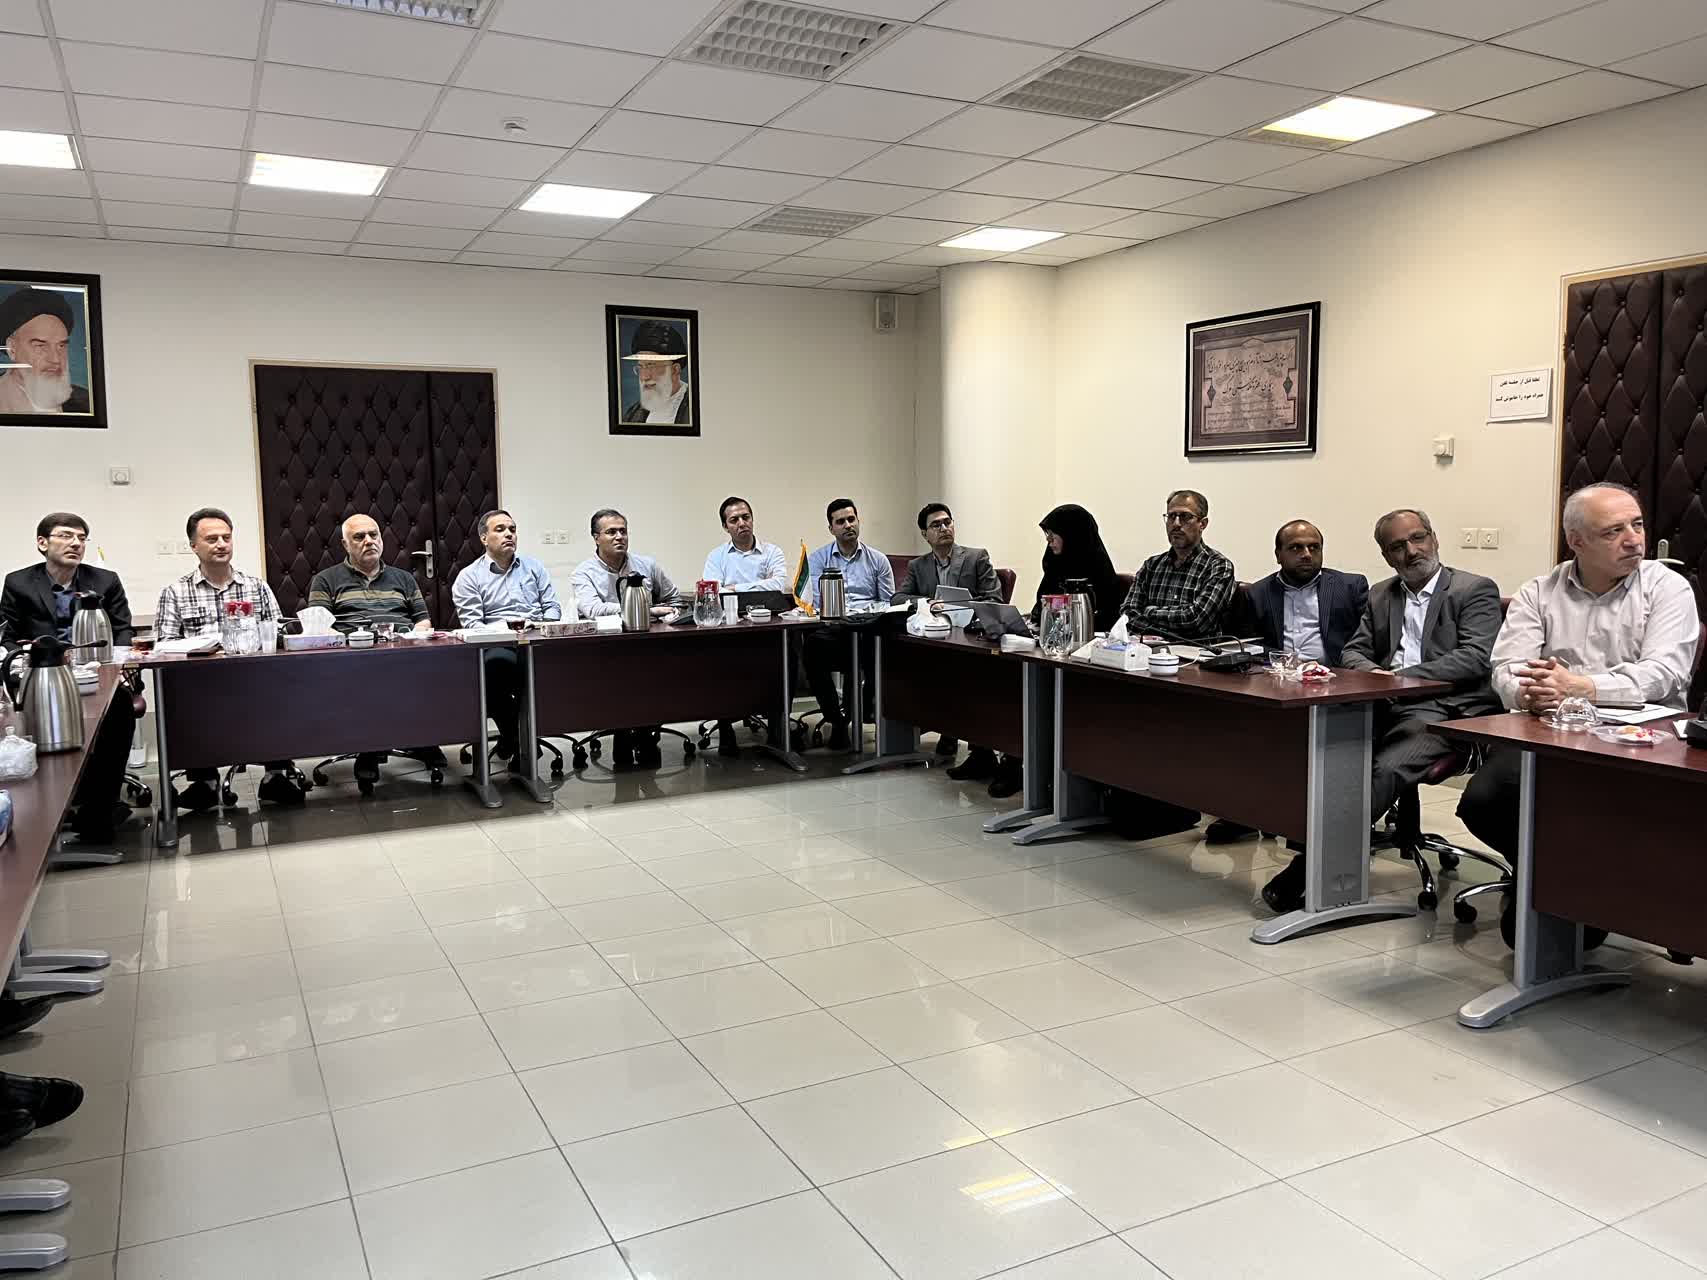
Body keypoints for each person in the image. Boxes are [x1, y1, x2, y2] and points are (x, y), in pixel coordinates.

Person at [1458, 483, 1699, 950]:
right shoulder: (1539, 592)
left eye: (1637, 525)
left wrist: (1581, 687)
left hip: (1640, 737)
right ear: (1577, 541)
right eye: (1614, 531)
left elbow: (1664, 674)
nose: (1633, 539)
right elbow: (1506, 667)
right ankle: (1552, 876)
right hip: (1552, 731)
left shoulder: (1667, 587)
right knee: (1485, 800)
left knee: (1599, 807)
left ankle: (1582, 889)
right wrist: (1530, 693)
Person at [1259, 508, 1502, 913]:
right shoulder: (1380, 594)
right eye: (1398, 546)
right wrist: (1375, 676)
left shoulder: (1473, 589)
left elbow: (1475, 658)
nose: (1412, 551)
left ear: (1434, 538)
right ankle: (1313, 843)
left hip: (1447, 711)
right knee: (1321, 746)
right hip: (1385, 702)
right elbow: (1353, 650)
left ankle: (1309, 868)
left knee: (1385, 768)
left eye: (1418, 538)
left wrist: (1401, 679)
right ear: (1387, 556)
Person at [1205, 520, 1369, 844]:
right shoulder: (1257, 593)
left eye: (1314, 547)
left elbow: (1368, 641)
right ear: (1278, 554)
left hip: (1337, 684)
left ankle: (1311, 820)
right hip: (1277, 682)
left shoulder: (1350, 586)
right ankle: (1246, 812)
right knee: (1239, 726)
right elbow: (1247, 645)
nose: (1306, 554)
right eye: (1296, 548)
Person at [154, 506, 307, 809]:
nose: (221, 544)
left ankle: (276, 776)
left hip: (254, 678)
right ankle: (204, 782)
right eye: (212, 539)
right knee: (185, 699)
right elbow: (164, 646)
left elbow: (277, 632)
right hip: (200, 683)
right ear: (193, 546)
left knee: (281, 690)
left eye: (226, 537)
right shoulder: (175, 592)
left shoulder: (255, 586)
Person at [1, 512, 135, 850]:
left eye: (81, 538)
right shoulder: (19, 582)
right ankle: (48, 811)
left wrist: (116, 667)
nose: (75, 543)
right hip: (42, 675)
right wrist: (22, 659)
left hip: (97, 674)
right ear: (42, 543)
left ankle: (99, 809)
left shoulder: (104, 580)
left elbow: (122, 630)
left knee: (119, 709)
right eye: (65, 535)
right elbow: (7, 635)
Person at [305, 514, 441, 787]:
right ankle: (369, 749)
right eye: (359, 537)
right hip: (350, 660)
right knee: (370, 675)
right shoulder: (325, 580)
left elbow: (423, 621)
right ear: (345, 545)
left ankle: (422, 738)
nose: (369, 541)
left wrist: (412, 640)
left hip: (402, 655)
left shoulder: (403, 578)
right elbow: (318, 627)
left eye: (374, 535)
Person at [893, 502, 1002, 778]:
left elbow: (994, 600)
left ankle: (973, 746)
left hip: (972, 640)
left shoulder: (976, 557)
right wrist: (929, 602)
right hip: (935, 639)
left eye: (947, 522)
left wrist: (961, 607)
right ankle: (944, 728)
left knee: (964, 676)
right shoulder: (918, 565)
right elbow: (899, 598)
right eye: (936, 525)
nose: (944, 528)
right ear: (924, 534)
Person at [571, 509, 678, 769]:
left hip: (647, 647)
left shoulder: (647, 565)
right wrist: (646, 609)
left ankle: (646, 732)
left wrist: (668, 614)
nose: (619, 537)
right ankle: (623, 731)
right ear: (596, 537)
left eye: (623, 531)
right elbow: (593, 609)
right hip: (605, 651)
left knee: (655, 673)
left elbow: (674, 598)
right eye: (611, 532)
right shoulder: (583, 573)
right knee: (625, 676)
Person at [451, 509, 561, 760]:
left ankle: (513, 739)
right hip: (499, 645)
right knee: (493, 667)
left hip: (537, 640)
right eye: (500, 529)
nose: (509, 534)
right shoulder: (469, 577)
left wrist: (538, 625)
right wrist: (509, 630)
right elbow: (473, 625)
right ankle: (520, 739)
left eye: (512, 529)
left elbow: (553, 608)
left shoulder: (533, 567)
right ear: (483, 538)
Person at [802, 498, 894, 751]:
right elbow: (817, 602)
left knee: (871, 650)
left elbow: (887, 602)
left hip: (867, 631)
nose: (847, 525)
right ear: (831, 528)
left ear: (858, 521)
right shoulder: (819, 559)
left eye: (851, 519)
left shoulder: (878, 560)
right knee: (811, 647)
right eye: (840, 521)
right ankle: (837, 720)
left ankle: (857, 713)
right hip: (834, 631)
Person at [703, 496, 787, 757]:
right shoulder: (717, 556)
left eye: (746, 517)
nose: (742, 523)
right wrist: (758, 587)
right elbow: (713, 591)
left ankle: (778, 729)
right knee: (718, 663)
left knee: (787, 658)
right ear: (725, 526)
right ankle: (725, 728)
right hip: (730, 630)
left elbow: (778, 585)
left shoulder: (772, 552)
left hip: (769, 629)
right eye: (734, 520)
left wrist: (735, 588)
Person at [1121, 489, 1236, 640]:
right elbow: (1128, 615)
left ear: (1203, 524)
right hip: (1149, 650)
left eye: (1185, 517)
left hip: (1196, 652)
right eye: (1171, 516)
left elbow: (1197, 620)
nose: (1176, 524)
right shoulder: (1152, 565)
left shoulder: (1219, 566)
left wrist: (1148, 612)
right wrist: (1166, 631)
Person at [1032, 503, 1124, 632]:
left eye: (1053, 534)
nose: (1048, 539)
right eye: (1048, 534)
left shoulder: (1099, 572)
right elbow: (1041, 610)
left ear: (1071, 535)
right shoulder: (1055, 565)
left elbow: (1107, 618)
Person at [0, 286, 90, 415]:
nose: (55, 359)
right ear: (12, 349)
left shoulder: (85, 403)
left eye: (61, 346)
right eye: (41, 346)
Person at [620, 320, 692, 425]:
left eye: (652, 366)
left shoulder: (693, 405)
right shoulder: (632, 415)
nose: (644, 377)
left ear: (675, 370)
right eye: (641, 367)